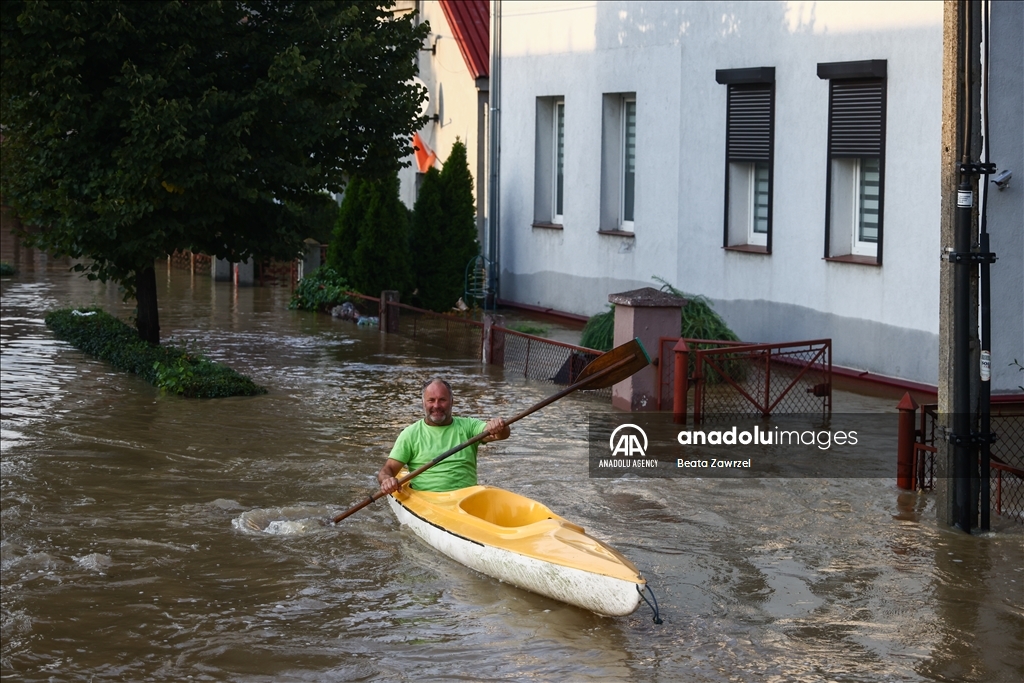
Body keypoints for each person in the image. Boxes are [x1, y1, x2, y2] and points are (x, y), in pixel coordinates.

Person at [378, 378, 510, 494]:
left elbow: (501, 434)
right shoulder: (410, 434)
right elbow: (387, 469)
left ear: (452, 402)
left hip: (467, 498)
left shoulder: (469, 426)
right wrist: (387, 480)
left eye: (442, 400)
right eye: (431, 400)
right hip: (428, 499)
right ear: (423, 403)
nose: (436, 405)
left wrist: (498, 426)